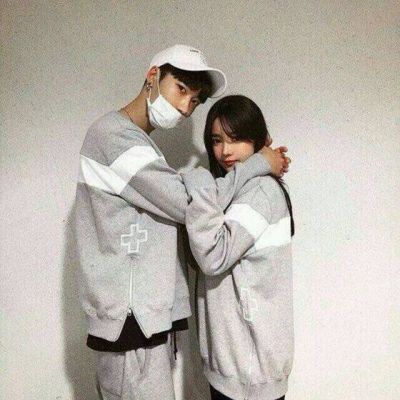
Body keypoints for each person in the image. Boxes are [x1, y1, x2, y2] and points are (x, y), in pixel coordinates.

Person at [74, 45, 290, 400]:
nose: (186, 106)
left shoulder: (141, 145)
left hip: (143, 321)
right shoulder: (113, 136)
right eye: (181, 88)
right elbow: (188, 204)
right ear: (153, 76)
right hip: (129, 323)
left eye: (195, 99)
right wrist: (258, 164)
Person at [182, 95, 295, 400]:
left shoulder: (260, 192)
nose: (225, 151)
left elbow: (212, 257)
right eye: (217, 140)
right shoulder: (234, 191)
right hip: (236, 365)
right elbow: (197, 253)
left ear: (257, 140)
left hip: (249, 371)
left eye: (236, 139)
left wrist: (199, 182)